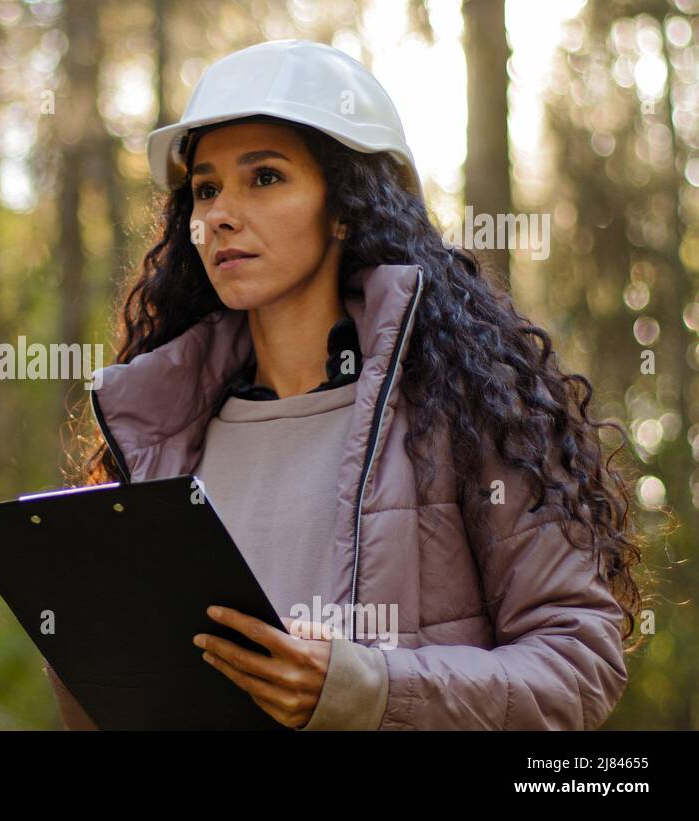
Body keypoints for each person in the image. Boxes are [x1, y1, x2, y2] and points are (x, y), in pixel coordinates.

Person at [45, 39, 643, 730]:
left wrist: (371, 689)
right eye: (205, 189)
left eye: (264, 177)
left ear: (345, 208)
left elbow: (579, 664)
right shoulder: (162, 432)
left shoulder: (468, 408)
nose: (220, 215)